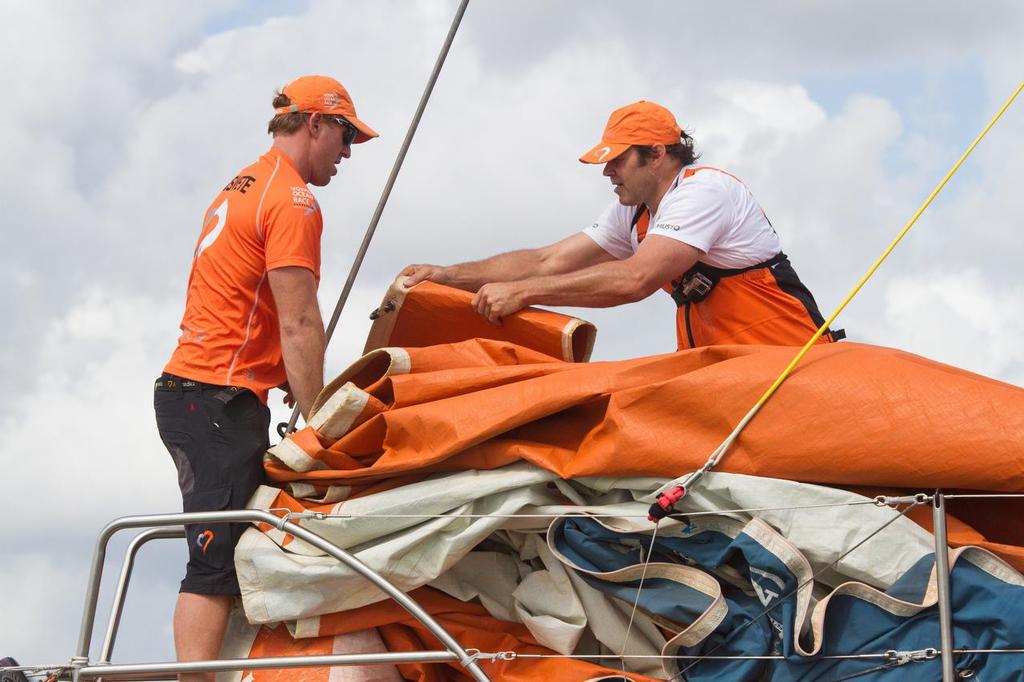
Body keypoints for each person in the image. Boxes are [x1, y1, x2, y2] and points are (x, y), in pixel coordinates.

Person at [154, 75, 377, 678]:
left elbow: (245, 305)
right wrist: (321, 424)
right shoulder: (295, 200)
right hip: (216, 400)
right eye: (346, 135)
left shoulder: (243, 182)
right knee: (215, 563)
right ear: (315, 125)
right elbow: (301, 322)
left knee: (225, 554)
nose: (349, 151)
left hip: (199, 394)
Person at [403, 100, 841, 349]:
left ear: (656, 155)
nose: (608, 172)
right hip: (723, 372)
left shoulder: (704, 192)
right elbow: (548, 259)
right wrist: (447, 277)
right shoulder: (634, 212)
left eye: (617, 160)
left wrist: (521, 293)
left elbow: (636, 279)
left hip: (788, 362)